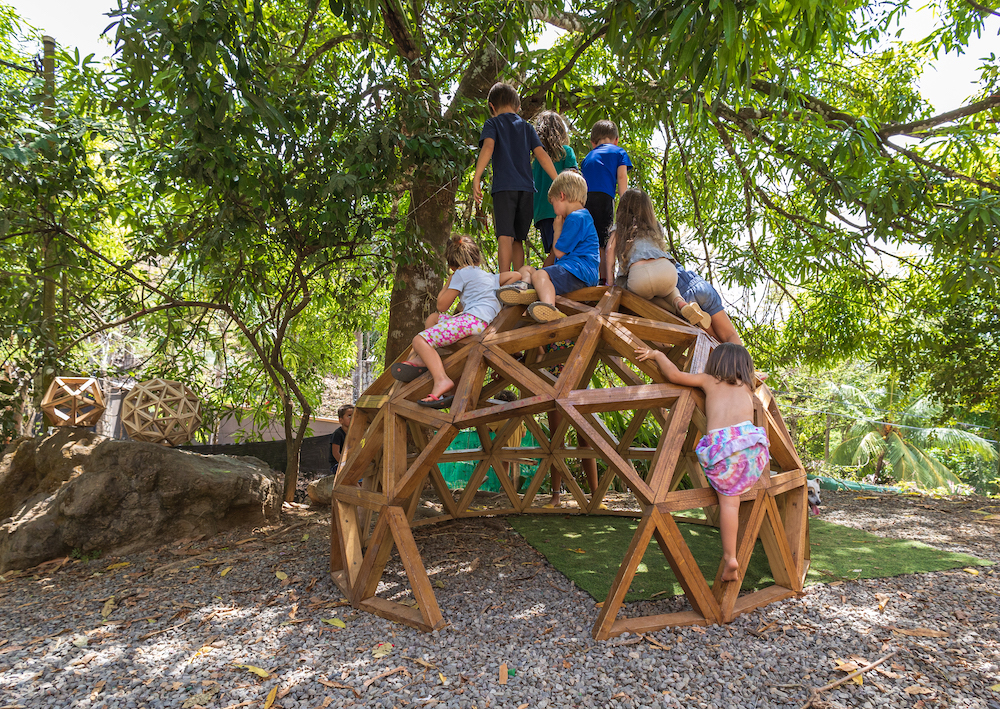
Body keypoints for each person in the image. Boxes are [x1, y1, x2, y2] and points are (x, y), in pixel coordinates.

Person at [635, 342, 769, 582]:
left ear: (715, 364)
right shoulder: (749, 385)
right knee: (735, 499)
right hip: (753, 449)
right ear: (746, 368)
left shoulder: (709, 381)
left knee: (729, 504)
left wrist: (657, 354)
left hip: (725, 449)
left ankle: (730, 558)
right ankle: (736, 543)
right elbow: (759, 378)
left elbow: (674, 375)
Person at [389, 234, 520, 408]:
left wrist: (449, 282)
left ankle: (441, 380)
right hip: (480, 323)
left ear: (452, 265)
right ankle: (423, 359)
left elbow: (442, 304)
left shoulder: (461, 273)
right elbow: (516, 275)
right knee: (433, 319)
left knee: (419, 340)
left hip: (471, 321)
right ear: (477, 257)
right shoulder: (489, 276)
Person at [472, 83, 558, 274]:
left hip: (504, 188)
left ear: (492, 107)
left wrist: (477, 176)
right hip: (527, 190)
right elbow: (542, 155)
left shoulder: (492, 123)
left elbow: (488, 148)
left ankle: (503, 280)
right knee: (519, 237)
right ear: (518, 106)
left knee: (505, 236)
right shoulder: (527, 128)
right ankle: (519, 280)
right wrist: (557, 179)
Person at [495, 171, 600, 322]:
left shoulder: (576, 218)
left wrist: (557, 229)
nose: (553, 209)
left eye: (553, 203)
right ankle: (524, 288)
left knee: (539, 275)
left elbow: (558, 252)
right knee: (526, 269)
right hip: (572, 270)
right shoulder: (580, 216)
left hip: (580, 271)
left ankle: (548, 308)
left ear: (562, 196)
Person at [612, 188, 713, 329]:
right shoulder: (655, 227)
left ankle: (677, 313)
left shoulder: (618, 229)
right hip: (666, 272)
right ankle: (682, 306)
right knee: (671, 291)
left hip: (639, 278)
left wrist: (608, 282)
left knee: (648, 299)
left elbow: (609, 254)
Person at [580, 119, 632, 285]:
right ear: (616, 140)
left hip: (585, 200)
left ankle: (590, 278)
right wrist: (625, 204)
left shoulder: (587, 157)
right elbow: (622, 176)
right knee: (605, 240)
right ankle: (605, 279)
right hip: (604, 198)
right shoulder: (618, 152)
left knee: (591, 239)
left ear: (593, 142)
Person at [532, 111, 577, 254]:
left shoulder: (534, 161)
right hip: (561, 210)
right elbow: (574, 179)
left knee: (553, 251)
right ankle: (545, 274)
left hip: (541, 213)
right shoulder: (566, 152)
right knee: (563, 252)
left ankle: (545, 273)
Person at [673, 261, 743, 344]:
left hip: (679, 294)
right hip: (699, 285)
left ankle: (701, 322)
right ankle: (701, 321)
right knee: (730, 336)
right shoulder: (661, 252)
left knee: (712, 339)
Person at [329, 404, 354, 475]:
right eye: (349, 415)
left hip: (350, 463)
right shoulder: (337, 434)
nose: (352, 418)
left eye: (354, 415)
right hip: (337, 465)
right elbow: (336, 453)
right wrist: (345, 464)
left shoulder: (354, 434)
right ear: (341, 420)